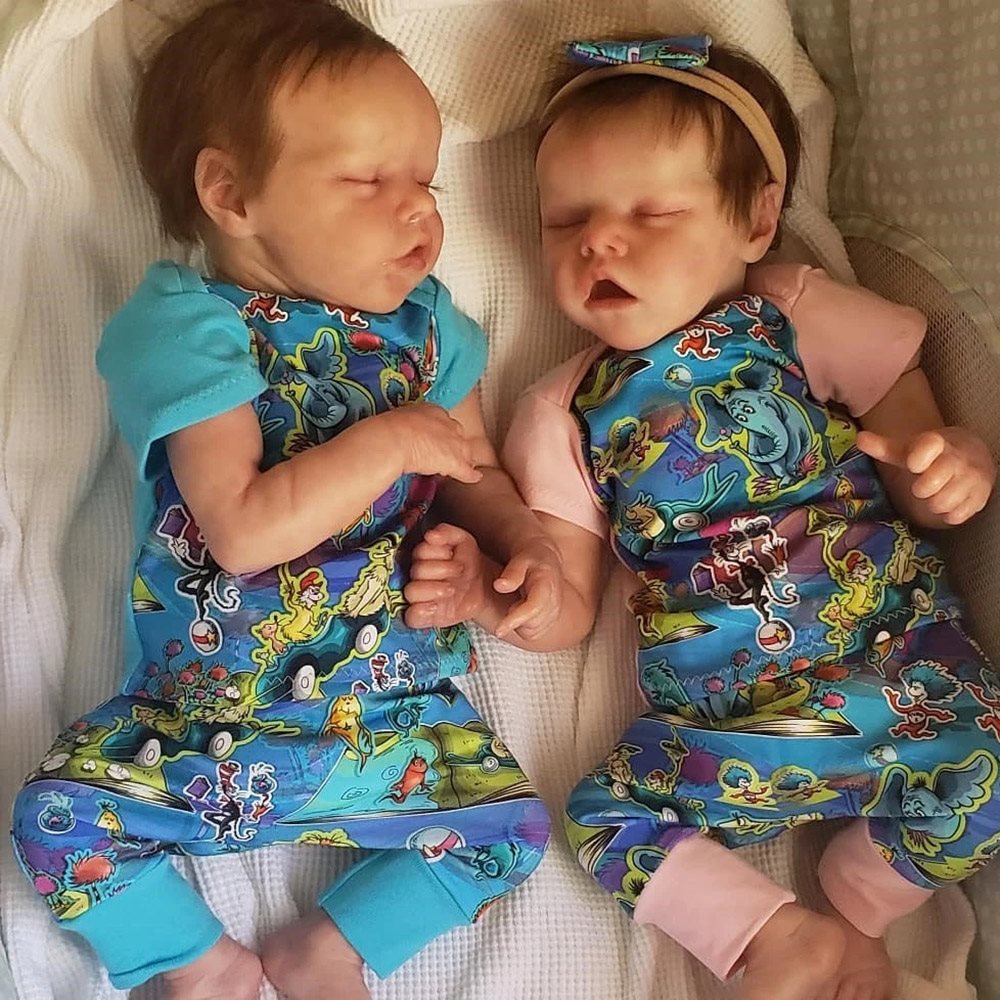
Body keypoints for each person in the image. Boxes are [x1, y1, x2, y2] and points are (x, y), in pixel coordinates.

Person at [404, 35, 998, 1000]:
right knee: (605, 821)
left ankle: (858, 901)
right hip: (730, 726)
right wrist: (497, 594)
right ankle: (775, 941)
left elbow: (916, 451)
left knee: (989, 777)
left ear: (757, 218)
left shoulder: (794, 314)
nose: (600, 241)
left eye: (653, 212)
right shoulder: (565, 411)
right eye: (567, 220)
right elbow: (567, 608)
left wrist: (954, 467)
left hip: (899, 674)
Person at [10, 3, 557, 998]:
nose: (417, 211)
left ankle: (332, 949)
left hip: (395, 726)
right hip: (201, 722)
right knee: (56, 821)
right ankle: (198, 962)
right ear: (231, 194)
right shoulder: (193, 327)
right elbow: (242, 530)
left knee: (511, 830)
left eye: (425, 182)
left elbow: (474, 475)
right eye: (367, 181)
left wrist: (516, 553)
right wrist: (389, 439)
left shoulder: (433, 333)